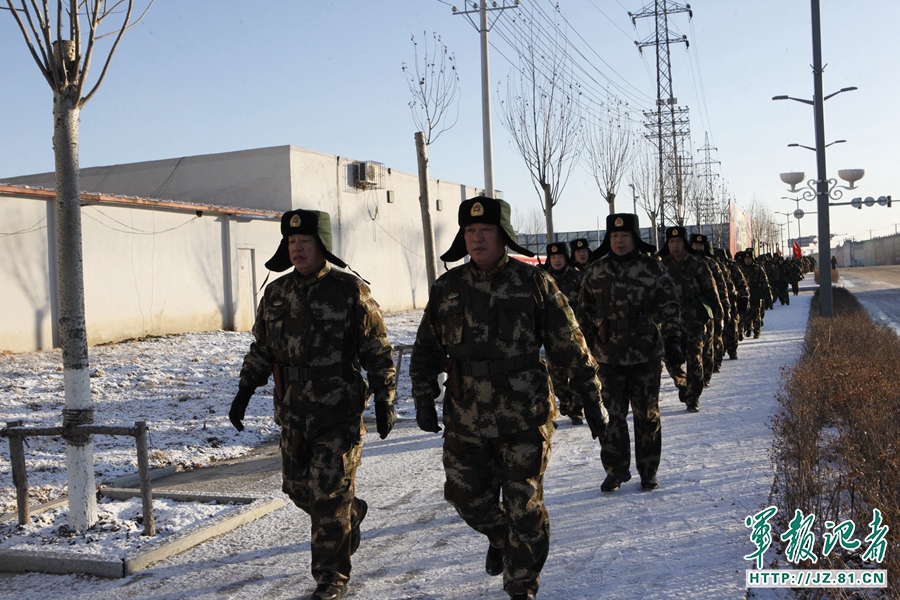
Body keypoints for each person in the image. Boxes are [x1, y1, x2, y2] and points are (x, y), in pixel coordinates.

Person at [409, 195, 607, 600]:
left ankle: (521, 586)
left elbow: (568, 342)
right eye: (470, 231)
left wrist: (591, 395)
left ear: (503, 236)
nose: (477, 238)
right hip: (465, 415)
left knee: (525, 507)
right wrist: (423, 396)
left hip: (524, 415)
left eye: (486, 231)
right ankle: (500, 537)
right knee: (467, 497)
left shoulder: (533, 282)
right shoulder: (447, 287)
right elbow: (426, 347)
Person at [229, 209, 397, 600]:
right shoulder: (276, 293)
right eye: (291, 242)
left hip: (338, 409)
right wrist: (244, 390)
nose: (297, 249)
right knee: (296, 488)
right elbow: (263, 348)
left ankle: (331, 577)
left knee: (328, 494)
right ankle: (350, 513)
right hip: (293, 410)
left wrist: (386, 397)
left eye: (304, 242)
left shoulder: (350, 290)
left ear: (322, 246)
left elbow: (377, 350)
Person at [578, 213, 682, 492]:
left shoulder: (652, 268)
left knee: (647, 415)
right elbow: (584, 311)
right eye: (614, 236)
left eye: (624, 236)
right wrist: (587, 347)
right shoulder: (596, 271)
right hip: (607, 356)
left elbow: (670, 304)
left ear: (635, 238)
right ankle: (615, 470)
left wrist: (673, 338)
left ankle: (648, 470)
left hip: (645, 352)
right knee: (612, 415)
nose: (619, 241)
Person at [658, 227, 721, 413]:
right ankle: (683, 384)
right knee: (670, 360)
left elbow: (711, 291)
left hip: (694, 321)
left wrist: (717, 318)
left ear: (684, 243)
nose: (674, 246)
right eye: (670, 242)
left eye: (678, 242)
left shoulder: (697, 264)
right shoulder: (662, 266)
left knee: (695, 359)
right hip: (670, 323)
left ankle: (693, 397)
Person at [544, 242, 586, 425]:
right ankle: (567, 400)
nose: (557, 260)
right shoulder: (543, 279)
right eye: (553, 257)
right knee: (557, 379)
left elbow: (586, 305)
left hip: (575, 336)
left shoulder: (578, 278)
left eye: (560, 257)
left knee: (577, 375)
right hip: (552, 337)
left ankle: (576, 410)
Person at [738, 249, 771, 339]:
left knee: (756, 313)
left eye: (749, 258)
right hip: (744, 294)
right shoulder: (740, 268)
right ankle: (748, 328)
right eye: (746, 258)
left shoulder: (758, 268)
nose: (748, 260)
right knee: (746, 313)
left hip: (756, 293)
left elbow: (765, 281)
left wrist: (768, 294)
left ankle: (757, 331)